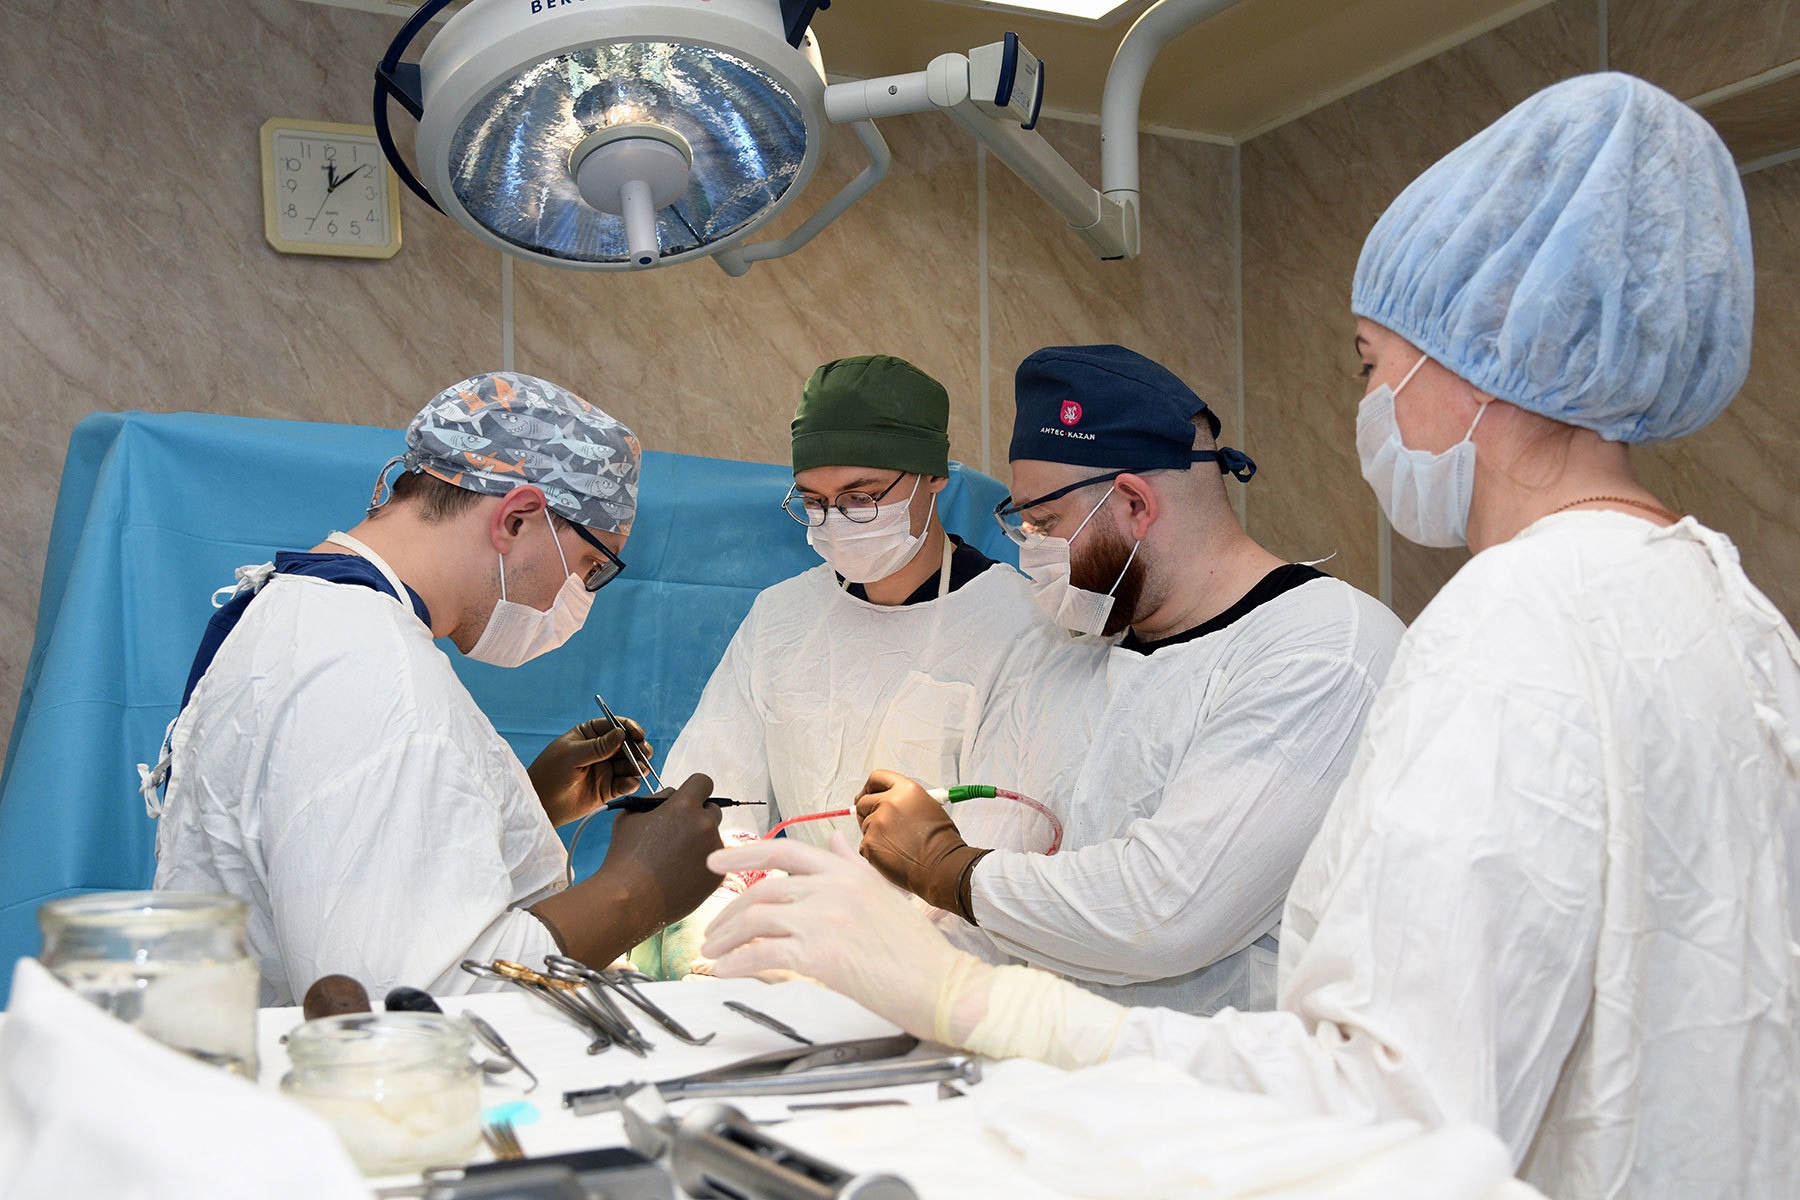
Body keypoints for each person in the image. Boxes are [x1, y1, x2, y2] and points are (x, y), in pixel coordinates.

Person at [697, 74, 1800, 1199]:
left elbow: (1392, 1107)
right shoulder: (1725, 609)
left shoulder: (1508, 624)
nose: (1371, 404)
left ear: (1482, 355)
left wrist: (965, 993)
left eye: (1371, 363)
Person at [852, 344, 1406, 1015]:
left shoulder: (1323, 650)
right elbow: (993, 893)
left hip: (1225, 1073)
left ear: (1136, 504)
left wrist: (948, 869)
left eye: (1045, 524)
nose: (1031, 552)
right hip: (1051, 1060)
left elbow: (1164, 912)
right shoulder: (1065, 658)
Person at [148, 372, 725, 1005]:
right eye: (591, 566)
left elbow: (332, 853)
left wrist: (523, 810)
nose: (580, 597)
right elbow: (410, 1006)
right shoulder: (370, 669)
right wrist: (634, 891)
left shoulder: (309, 611)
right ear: (517, 519)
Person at [638, 354, 1077, 979]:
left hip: (946, 975)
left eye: (862, 497)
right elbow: (716, 800)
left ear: (933, 477)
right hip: (793, 963)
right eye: (814, 501)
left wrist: (868, 968)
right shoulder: (783, 618)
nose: (836, 521)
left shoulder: (1022, 627)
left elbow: (998, 865)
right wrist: (713, 922)